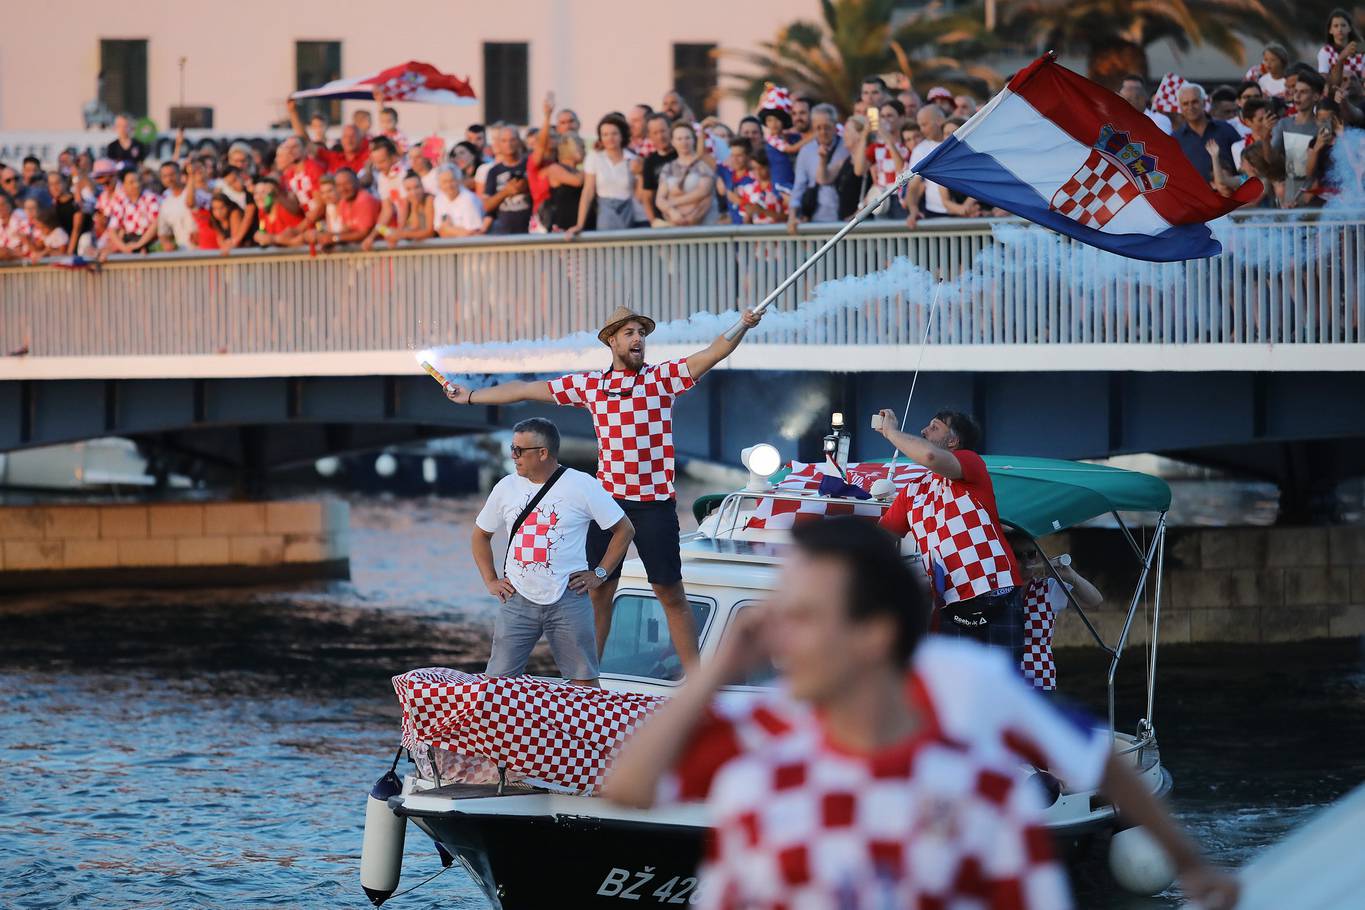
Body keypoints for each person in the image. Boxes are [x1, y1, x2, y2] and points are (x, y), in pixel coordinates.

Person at [606, 517, 1241, 910]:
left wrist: (1192, 865)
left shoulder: (965, 690)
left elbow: (1097, 758)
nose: (775, 638)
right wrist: (716, 668)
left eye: (800, 617)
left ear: (874, 635)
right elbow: (628, 788)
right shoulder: (770, 730)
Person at [441, 305, 765, 674]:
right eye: (628, 333)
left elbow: (714, 353)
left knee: (670, 593)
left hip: (654, 506)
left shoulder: (663, 379)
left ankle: (696, 685)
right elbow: (525, 390)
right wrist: (470, 398)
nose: (638, 339)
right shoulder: (590, 386)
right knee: (597, 592)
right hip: (606, 506)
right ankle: (588, 683)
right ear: (611, 341)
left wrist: (743, 325)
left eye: (641, 333)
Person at [473, 418, 634, 686]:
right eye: (512, 449)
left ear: (543, 452)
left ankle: (584, 728)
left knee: (584, 683)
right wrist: (490, 580)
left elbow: (624, 530)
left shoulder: (582, 485)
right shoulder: (505, 487)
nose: (513, 456)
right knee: (497, 685)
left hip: (568, 598)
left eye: (519, 450)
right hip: (517, 598)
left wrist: (600, 574)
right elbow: (480, 535)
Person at [874, 407, 1024, 660]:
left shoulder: (970, 461)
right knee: (951, 690)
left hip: (994, 588)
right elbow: (878, 540)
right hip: (949, 600)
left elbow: (931, 456)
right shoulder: (912, 491)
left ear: (953, 441)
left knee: (1000, 686)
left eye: (934, 426)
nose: (923, 430)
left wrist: (891, 432)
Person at [1005, 531, 1103, 692]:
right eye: (1017, 555)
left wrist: (1071, 577)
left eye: (1031, 554)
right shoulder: (997, 589)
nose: (1026, 561)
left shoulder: (1046, 588)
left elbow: (1094, 600)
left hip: (1040, 683)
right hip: (1005, 684)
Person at [569, 113, 637, 237]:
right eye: (605, 134)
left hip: (629, 212)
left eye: (614, 133)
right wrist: (579, 224)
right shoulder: (594, 157)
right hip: (605, 212)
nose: (610, 138)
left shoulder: (632, 159)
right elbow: (588, 191)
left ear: (622, 135)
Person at [1273, 70, 1327, 206]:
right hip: (1288, 198)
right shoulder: (1283, 124)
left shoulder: (1324, 128)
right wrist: (1280, 190)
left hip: (1317, 198)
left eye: (1303, 92)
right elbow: (1272, 162)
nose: (1296, 96)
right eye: (1295, 91)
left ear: (1316, 97)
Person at [1175, 84, 1241, 191]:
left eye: (1195, 102)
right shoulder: (1174, 140)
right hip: (1194, 202)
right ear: (1180, 108)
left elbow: (1246, 173)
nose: (1190, 107)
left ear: (1204, 103)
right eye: (1185, 104)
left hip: (1232, 199)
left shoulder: (1226, 130)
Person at [655, 122, 717, 227]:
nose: (684, 142)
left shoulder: (703, 164)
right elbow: (660, 199)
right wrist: (672, 212)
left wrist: (673, 202)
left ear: (694, 140)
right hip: (676, 225)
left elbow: (704, 191)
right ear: (673, 142)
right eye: (679, 139)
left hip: (703, 224)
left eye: (687, 138)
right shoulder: (668, 167)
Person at [481, 126, 533, 235]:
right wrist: (506, 192)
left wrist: (526, 187)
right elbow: (486, 206)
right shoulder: (493, 171)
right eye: (504, 141)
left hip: (531, 231)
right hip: (504, 233)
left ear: (519, 141)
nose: (508, 144)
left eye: (512, 139)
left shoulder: (530, 165)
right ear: (498, 144)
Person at [104, 170, 160, 255]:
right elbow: (112, 230)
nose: (136, 185)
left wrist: (139, 244)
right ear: (124, 185)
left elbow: (156, 224)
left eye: (138, 181)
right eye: (131, 182)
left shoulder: (151, 198)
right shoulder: (120, 201)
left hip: (148, 242)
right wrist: (124, 247)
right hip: (128, 241)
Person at [321, 168, 379, 248]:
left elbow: (364, 234)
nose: (343, 189)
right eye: (339, 185)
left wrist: (335, 238)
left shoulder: (364, 199)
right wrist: (325, 237)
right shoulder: (343, 202)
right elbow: (347, 230)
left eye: (347, 183)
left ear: (357, 183)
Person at [540, 134, 585, 233]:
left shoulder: (579, 171)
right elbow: (577, 181)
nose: (585, 151)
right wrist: (592, 167)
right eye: (582, 147)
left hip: (581, 225)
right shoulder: (555, 168)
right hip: (563, 226)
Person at [636, 114, 676, 224]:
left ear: (670, 130)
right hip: (664, 221)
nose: (660, 136)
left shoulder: (682, 153)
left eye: (663, 131)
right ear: (649, 136)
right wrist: (654, 222)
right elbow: (647, 197)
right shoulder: (649, 161)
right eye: (655, 133)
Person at [156, 160, 200, 251]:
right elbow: (163, 232)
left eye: (172, 174)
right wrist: (166, 243)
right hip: (182, 253)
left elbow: (191, 203)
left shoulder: (194, 191)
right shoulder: (165, 203)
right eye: (165, 176)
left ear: (180, 174)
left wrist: (191, 175)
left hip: (205, 250)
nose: (169, 179)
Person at [737, 147, 788, 224]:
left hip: (778, 233)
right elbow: (745, 220)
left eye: (761, 168)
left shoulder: (780, 188)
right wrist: (749, 215)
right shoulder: (748, 189)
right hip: (756, 234)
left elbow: (789, 217)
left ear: (769, 167)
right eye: (754, 168)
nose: (757, 172)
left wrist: (763, 211)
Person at [433, 166, 485, 238]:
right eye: (444, 182)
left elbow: (474, 234)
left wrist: (447, 229)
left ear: (459, 181)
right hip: (450, 245)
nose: (449, 185)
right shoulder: (438, 199)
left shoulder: (469, 199)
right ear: (439, 184)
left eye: (452, 180)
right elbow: (440, 231)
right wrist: (449, 230)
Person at [1320, 8, 1365, 89]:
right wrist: (1342, 57)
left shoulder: (1361, 48)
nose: (1340, 29)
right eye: (1336, 26)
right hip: (1335, 95)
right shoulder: (1325, 51)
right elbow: (1324, 80)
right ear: (1330, 30)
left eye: (1343, 25)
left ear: (1349, 28)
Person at [716, 140, 755, 225]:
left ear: (748, 156)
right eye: (732, 155)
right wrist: (703, 131)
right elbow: (704, 156)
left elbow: (760, 209)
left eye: (739, 155)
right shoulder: (727, 172)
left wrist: (739, 201)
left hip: (751, 231)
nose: (735, 159)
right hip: (733, 231)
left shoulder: (754, 178)